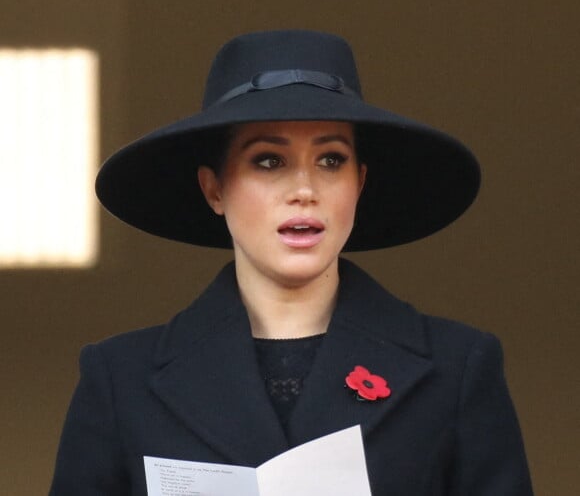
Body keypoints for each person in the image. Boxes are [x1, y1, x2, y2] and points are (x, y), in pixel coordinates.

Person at [50, 30, 533, 494]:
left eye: (330, 160)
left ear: (359, 183)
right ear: (214, 188)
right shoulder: (120, 379)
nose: (304, 190)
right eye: (268, 160)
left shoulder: (458, 369)